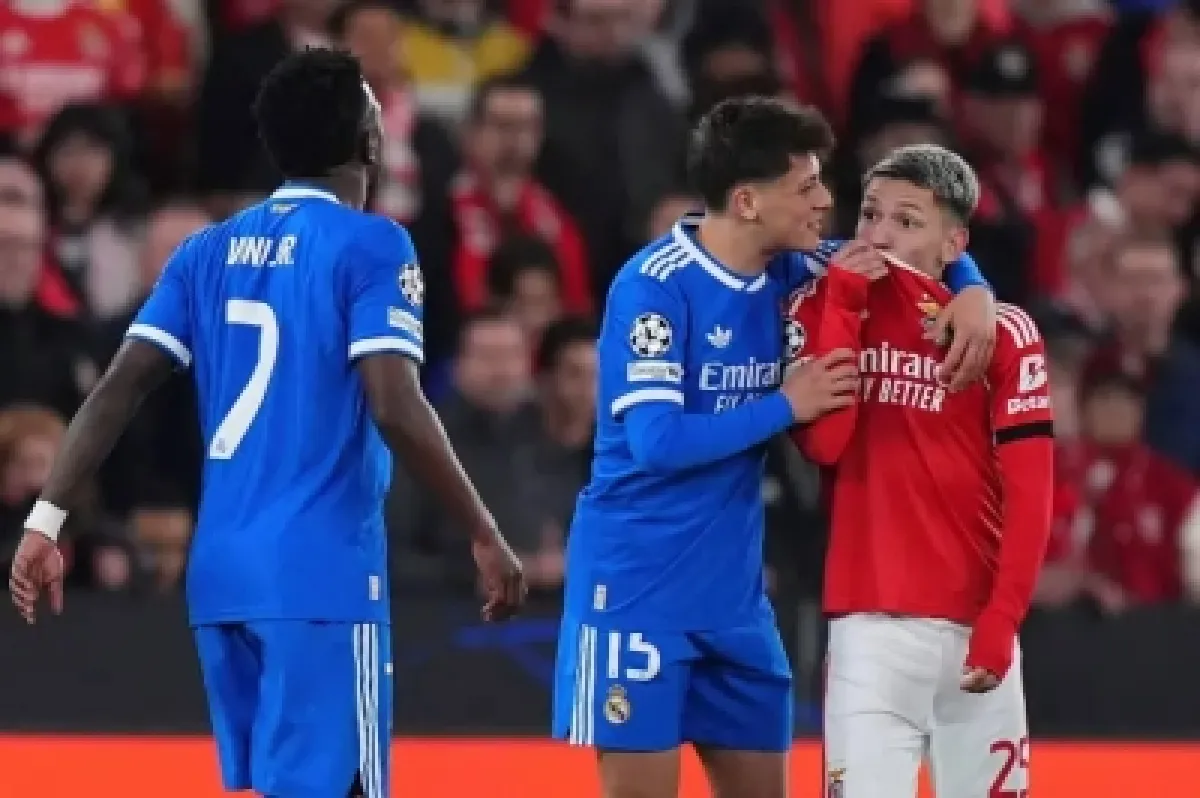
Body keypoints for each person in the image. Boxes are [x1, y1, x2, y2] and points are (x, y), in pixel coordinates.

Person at [8, 48, 525, 798]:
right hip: (320, 575)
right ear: (369, 140)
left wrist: (45, 519)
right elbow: (395, 403)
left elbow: (118, 388)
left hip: (221, 577)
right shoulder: (373, 244)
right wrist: (482, 529)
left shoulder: (205, 250)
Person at [551, 96, 997, 798]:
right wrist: (787, 404)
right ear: (747, 201)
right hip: (638, 590)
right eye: (806, 186)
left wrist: (975, 292)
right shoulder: (654, 288)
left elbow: (906, 262)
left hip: (735, 602)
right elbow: (657, 442)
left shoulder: (794, 268)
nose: (826, 201)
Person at [787, 144, 1055, 798]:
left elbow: (1032, 493)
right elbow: (825, 445)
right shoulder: (817, 304)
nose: (878, 235)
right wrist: (844, 308)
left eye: (906, 222)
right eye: (870, 214)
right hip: (868, 632)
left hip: (974, 624)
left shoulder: (1004, 333)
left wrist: (1003, 619)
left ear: (953, 243)